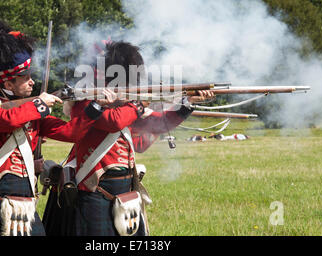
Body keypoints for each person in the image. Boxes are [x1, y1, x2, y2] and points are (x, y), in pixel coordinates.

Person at [43, 41, 214, 236]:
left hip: (126, 188)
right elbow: (113, 122)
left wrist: (187, 104)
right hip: (94, 189)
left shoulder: (127, 105)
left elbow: (159, 124)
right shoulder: (86, 101)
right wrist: (139, 104)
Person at [0, 30, 106, 236]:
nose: (32, 82)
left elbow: (71, 133)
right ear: (8, 83)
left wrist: (95, 106)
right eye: (25, 78)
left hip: (26, 201)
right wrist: (40, 104)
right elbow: (10, 120)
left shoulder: (31, 111)